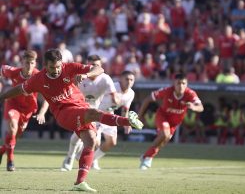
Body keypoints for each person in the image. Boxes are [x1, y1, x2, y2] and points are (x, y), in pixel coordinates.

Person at [0, 49, 143, 192]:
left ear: (61, 63)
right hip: (64, 113)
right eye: (51, 67)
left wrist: (86, 74)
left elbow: (99, 69)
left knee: (91, 141)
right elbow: (20, 88)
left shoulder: (69, 67)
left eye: (58, 67)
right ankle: (127, 121)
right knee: (93, 113)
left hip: (80, 106)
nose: (56, 70)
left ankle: (80, 182)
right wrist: (2, 97)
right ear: (45, 65)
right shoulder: (38, 79)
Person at [61, 65, 135, 171]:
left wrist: (126, 123)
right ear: (121, 79)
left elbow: (125, 109)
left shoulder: (131, 93)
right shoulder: (113, 86)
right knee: (95, 141)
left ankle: (90, 160)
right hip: (98, 114)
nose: (129, 82)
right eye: (126, 79)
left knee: (112, 142)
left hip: (110, 114)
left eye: (131, 80)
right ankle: (76, 158)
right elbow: (98, 95)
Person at [138, 73, 204, 170]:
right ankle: (147, 160)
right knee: (164, 134)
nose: (181, 86)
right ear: (174, 83)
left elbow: (201, 107)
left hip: (174, 123)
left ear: (187, 84)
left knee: (163, 142)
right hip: (162, 117)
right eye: (178, 83)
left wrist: (194, 107)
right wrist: (140, 115)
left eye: (183, 83)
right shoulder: (167, 91)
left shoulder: (190, 94)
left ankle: (145, 156)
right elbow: (148, 99)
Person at [0, 50, 49, 171]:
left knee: (15, 135)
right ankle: (10, 160)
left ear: (35, 63)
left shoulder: (39, 77)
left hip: (28, 109)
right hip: (12, 104)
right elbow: (2, 69)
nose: (29, 66)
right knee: (12, 128)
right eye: (27, 63)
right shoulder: (13, 72)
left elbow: (47, 97)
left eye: (32, 63)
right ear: (22, 62)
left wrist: (42, 113)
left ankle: (1, 150)